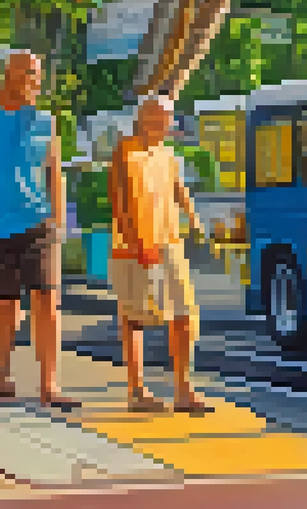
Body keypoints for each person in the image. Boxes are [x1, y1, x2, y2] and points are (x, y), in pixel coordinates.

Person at [0, 52, 78, 409]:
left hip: (37, 224)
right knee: (4, 305)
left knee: (48, 301)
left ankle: (49, 384)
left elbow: (54, 170)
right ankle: (1, 375)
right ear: (8, 76)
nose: (36, 82)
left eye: (38, 75)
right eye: (29, 74)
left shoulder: (45, 121)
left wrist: (58, 222)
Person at [107, 95, 210, 414]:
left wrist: (194, 220)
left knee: (185, 314)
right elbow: (118, 197)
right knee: (135, 317)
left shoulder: (167, 153)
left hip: (169, 241)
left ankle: (183, 389)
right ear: (140, 119)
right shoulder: (125, 150)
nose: (158, 127)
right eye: (152, 121)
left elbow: (179, 187)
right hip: (134, 245)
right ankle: (136, 391)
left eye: (163, 122)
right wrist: (136, 242)